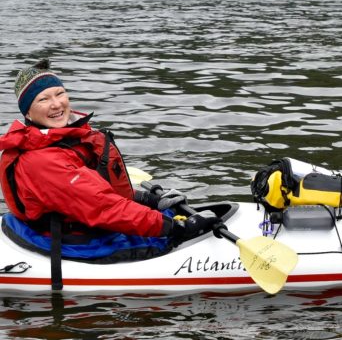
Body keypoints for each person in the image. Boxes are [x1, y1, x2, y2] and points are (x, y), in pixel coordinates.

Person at [0, 59, 220, 253]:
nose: (56, 104)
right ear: (28, 113)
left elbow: (95, 190)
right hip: (80, 242)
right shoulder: (42, 161)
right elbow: (103, 207)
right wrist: (176, 228)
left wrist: (147, 200)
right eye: (43, 99)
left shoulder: (63, 137)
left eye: (59, 94)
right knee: (163, 233)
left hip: (85, 222)